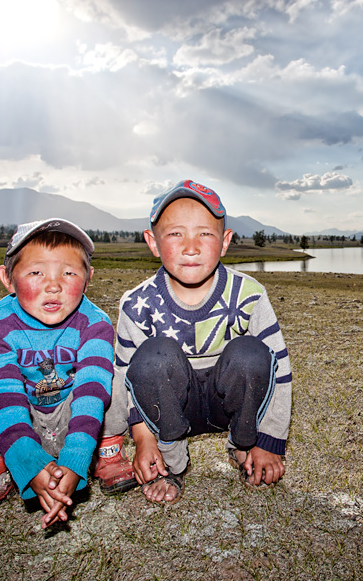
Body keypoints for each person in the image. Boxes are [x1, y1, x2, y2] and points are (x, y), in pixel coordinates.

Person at [0, 218, 137, 529]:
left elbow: (90, 390)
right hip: (19, 423)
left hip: (76, 424)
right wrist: (29, 464)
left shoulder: (95, 323)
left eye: (69, 272)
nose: (53, 284)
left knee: (109, 380)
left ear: (88, 280)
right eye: (36, 272)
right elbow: (4, 395)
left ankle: (107, 455)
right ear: (7, 279)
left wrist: (75, 462)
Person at [114, 180, 292, 503]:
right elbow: (125, 379)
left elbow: (280, 368)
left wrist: (271, 439)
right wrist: (142, 439)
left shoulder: (249, 295)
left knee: (252, 354)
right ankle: (173, 462)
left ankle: (243, 446)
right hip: (171, 407)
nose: (191, 247)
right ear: (152, 242)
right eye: (176, 234)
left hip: (226, 403)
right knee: (153, 358)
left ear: (225, 242)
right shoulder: (136, 304)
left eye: (205, 234)